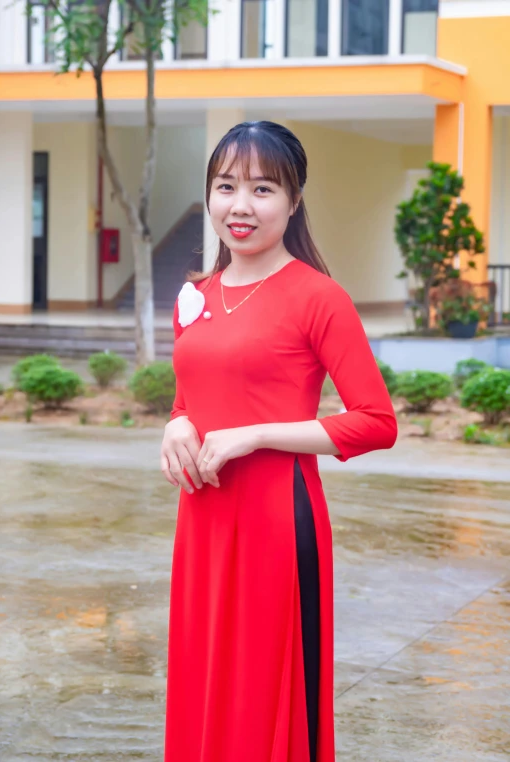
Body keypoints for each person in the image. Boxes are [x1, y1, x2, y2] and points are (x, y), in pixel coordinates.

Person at [161, 120, 398, 762]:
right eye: (226, 186)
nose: (241, 205)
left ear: (293, 203)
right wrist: (177, 419)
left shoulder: (318, 298)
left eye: (263, 189)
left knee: (265, 688)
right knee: (205, 676)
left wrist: (257, 436)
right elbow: (197, 391)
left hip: (275, 519)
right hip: (203, 518)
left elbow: (377, 420)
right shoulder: (199, 295)